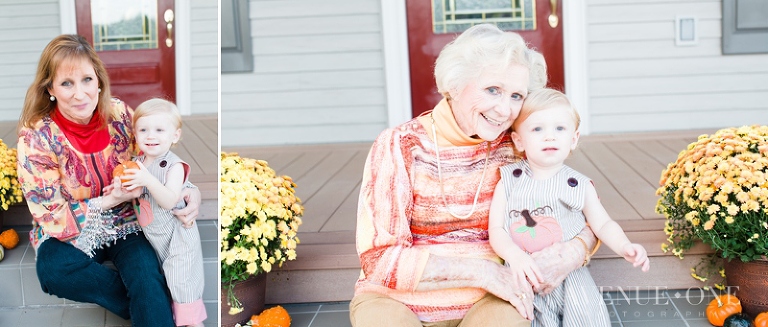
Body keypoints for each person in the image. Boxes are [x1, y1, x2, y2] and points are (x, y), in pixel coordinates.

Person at [350, 24, 600, 327]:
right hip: (395, 298)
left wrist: (574, 252)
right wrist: (485, 272)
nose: (504, 109)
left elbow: (586, 211)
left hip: (489, 299)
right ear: (455, 84)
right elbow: (379, 257)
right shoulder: (401, 145)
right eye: (492, 90)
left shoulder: (516, 145)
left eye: (516, 96)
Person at [16, 34, 201, 327]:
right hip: (71, 229)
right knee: (53, 271)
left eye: (87, 80)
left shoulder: (119, 114)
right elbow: (49, 212)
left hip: (127, 220)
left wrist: (189, 190)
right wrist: (109, 200)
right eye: (67, 83)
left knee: (144, 272)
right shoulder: (37, 138)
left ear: (99, 81)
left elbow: (155, 158)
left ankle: (149, 295)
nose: (80, 94)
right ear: (50, 88)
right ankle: (147, 299)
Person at [488, 88, 651, 326]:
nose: (549, 136)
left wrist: (624, 245)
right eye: (537, 129)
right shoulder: (508, 182)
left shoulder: (579, 185)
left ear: (573, 139)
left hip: (570, 276)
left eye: (560, 129)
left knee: (584, 317)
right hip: (523, 273)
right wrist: (514, 256)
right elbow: (497, 230)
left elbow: (603, 224)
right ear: (519, 140)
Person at [121, 98, 206, 327]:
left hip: (178, 238)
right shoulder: (138, 163)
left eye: (159, 130)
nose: (151, 136)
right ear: (135, 134)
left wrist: (146, 179)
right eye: (144, 130)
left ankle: (194, 323)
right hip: (157, 238)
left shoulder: (173, 166)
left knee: (182, 285)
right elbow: (134, 193)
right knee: (168, 283)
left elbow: (169, 200)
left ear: (174, 135)